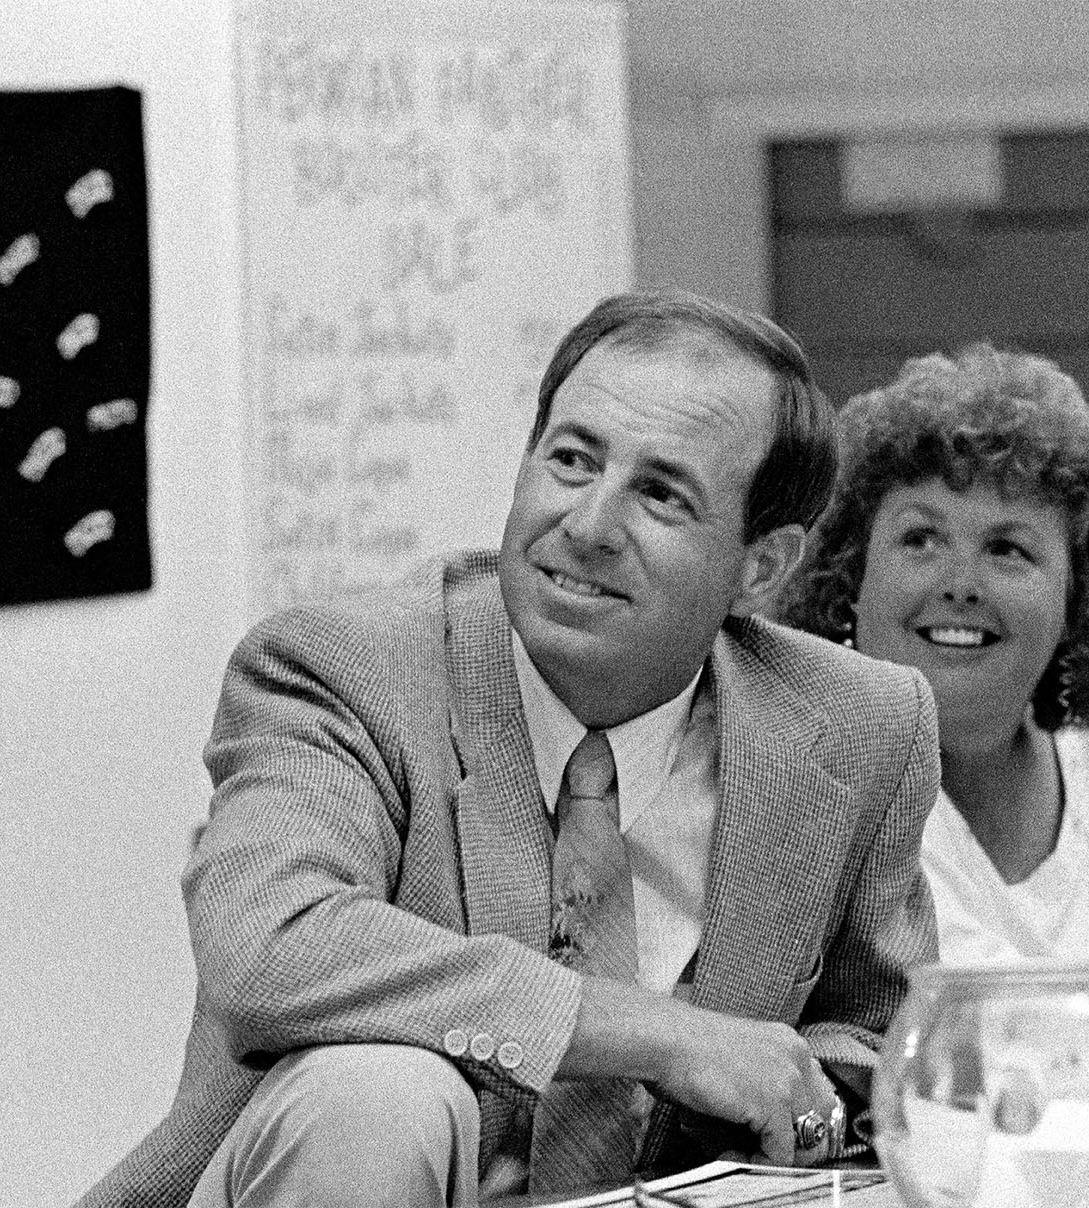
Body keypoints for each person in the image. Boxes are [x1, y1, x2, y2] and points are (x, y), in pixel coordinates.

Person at [76, 291, 941, 1208]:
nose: (589, 524)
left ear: (761, 567)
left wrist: (791, 1100)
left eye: (661, 493)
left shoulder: (855, 726)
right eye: (571, 460)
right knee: (379, 1093)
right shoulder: (344, 669)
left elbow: (883, 1045)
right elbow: (270, 946)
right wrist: (662, 1037)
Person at [775, 344, 1089, 1053]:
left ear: (1080, 599)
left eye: (1008, 549)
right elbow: (876, 1057)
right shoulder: (806, 783)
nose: (960, 583)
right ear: (846, 581)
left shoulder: (1084, 767)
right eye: (920, 538)